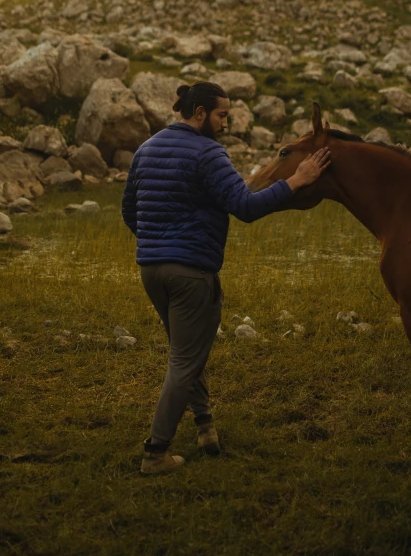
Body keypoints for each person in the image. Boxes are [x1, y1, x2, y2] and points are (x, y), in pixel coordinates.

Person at [121, 82, 330, 474]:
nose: (225, 123)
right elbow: (245, 207)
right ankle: (156, 452)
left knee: (188, 351)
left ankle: (205, 428)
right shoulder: (208, 153)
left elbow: (129, 213)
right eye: (221, 115)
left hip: (151, 270)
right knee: (184, 360)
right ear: (199, 113)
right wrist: (296, 181)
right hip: (191, 274)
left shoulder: (146, 149)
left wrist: (159, 242)